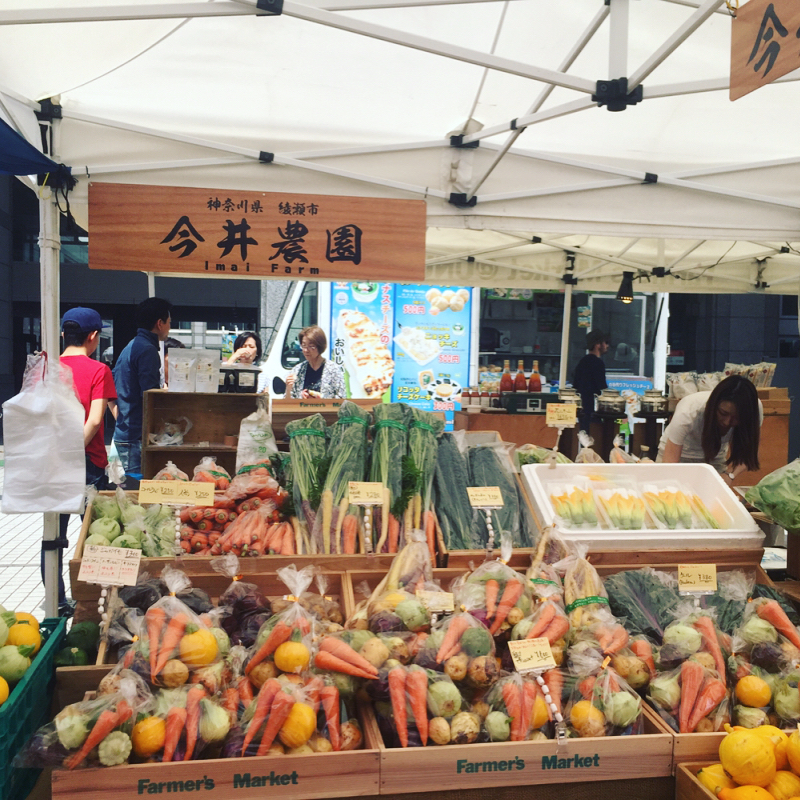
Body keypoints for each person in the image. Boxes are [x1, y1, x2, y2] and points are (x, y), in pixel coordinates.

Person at [44, 307, 117, 615]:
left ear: (64, 334)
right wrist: (74, 451)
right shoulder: (99, 370)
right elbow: (95, 419)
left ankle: (58, 602)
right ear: (93, 336)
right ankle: (97, 600)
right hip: (88, 461)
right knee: (98, 532)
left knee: (53, 534)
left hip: (51, 461)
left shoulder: (46, 367)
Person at [657, 374, 762, 484]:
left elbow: (748, 453)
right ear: (713, 405)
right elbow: (669, 465)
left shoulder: (755, 408)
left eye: (736, 418)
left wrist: (729, 475)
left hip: (714, 458)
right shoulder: (688, 411)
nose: (727, 422)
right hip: (678, 456)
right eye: (723, 413)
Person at [113, 297, 172, 475]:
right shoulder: (147, 350)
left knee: (128, 491)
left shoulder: (132, 346)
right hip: (134, 438)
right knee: (136, 493)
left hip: (125, 434)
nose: (170, 327)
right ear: (160, 323)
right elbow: (150, 396)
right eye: (169, 322)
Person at [285, 325, 345, 399]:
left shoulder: (333, 369)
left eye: (311, 346)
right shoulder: (297, 370)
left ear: (320, 346)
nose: (306, 350)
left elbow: (341, 398)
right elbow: (288, 403)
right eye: (304, 346)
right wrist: (289, 388)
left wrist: (321, 399)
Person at [573, 329, 610, 432]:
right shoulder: (598, 363)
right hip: (592, 407)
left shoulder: (582, 362)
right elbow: (602, 386)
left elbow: (576, 385)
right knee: (596, 436)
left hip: (582, 407)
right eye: (605, 343)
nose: (607, 346)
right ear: (598, 344)